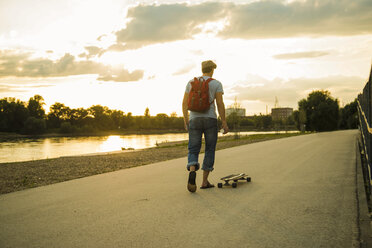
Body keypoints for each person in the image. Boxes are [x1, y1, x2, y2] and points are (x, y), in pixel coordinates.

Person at [182, 60, 229, 193]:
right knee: (209, 149)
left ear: (202, 69)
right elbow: (220, 104)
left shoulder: (191, 82)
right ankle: (204, 181)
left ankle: (192, 170)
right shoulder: (216, 83)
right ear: (212, 70)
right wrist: (224, 122)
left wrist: (186, 120)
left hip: (194, 119)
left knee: (193, 149)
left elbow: (184, 103)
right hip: (210, 119)